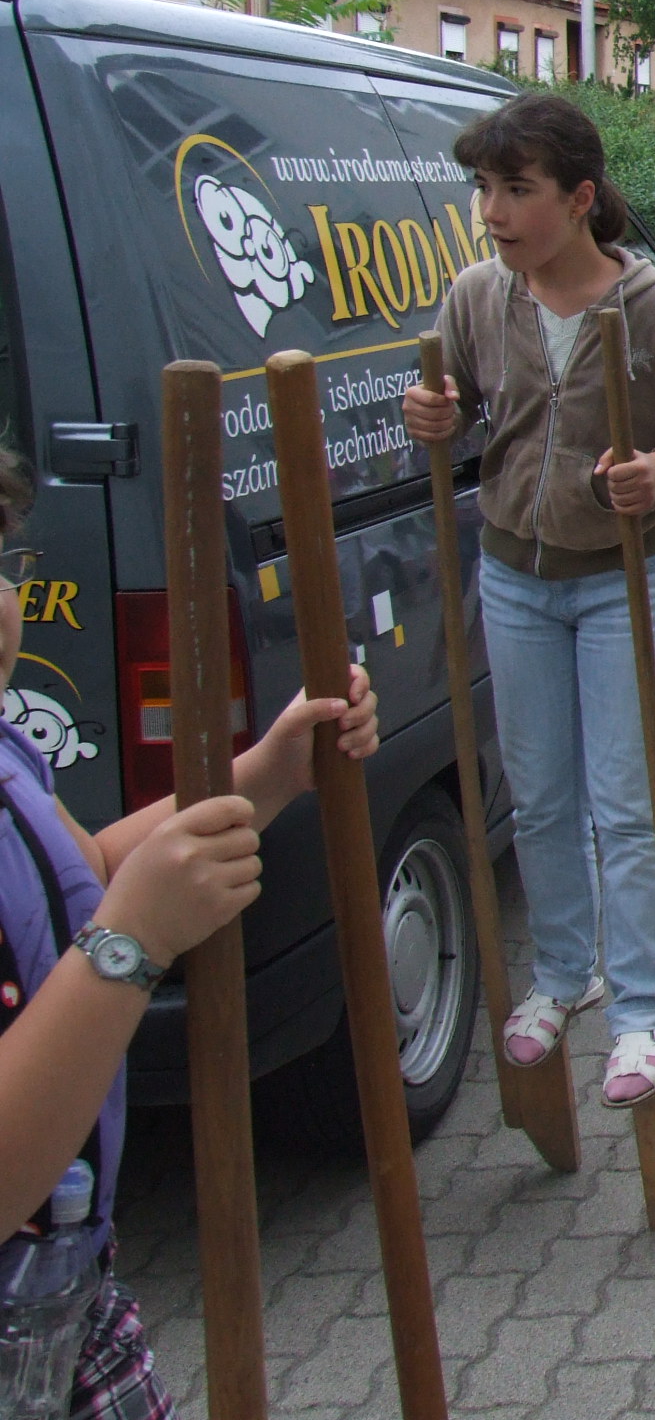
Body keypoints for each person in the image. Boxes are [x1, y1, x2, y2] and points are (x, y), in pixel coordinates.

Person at [0, 447, 377, 1420]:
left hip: (71, 1300)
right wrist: (129, 945)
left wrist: (267, 774)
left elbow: (80, 875)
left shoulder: (3, 746)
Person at [405, 91, 655, 1109]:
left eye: (517, 190)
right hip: (515, 578)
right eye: (484, 189)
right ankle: (563, 976)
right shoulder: (478, 298)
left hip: (624, 583)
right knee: (541, 798)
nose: (493, 212)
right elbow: (457, 407)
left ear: (580, 198)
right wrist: (432, 413)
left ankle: (645, 1012)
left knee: (629, 804)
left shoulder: (653, 309)